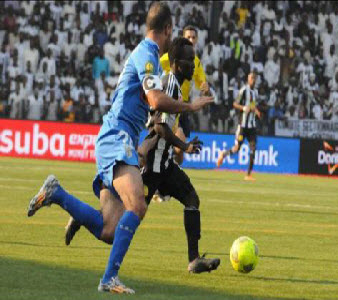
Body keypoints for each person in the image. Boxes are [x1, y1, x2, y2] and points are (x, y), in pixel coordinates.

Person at [27, 2, 213, 294]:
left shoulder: (145, 54)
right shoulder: (148, 54)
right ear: (166, 29)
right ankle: (109, 279)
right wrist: (190, 105)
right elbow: (155, 100)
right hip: (118, 137)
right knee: (137, 205)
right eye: (172, 30)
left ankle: (57, 194)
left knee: (110, 230)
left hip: (116, 138)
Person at [64, 37, 220, 274]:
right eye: (189, 60)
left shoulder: (176, 87)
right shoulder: (169, 84)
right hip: (151, 166)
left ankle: (194, 259)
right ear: (177, 63)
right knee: (122, 222)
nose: (193, 64)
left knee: (191, 199)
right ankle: (83, 217)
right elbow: (159, 126)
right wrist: (184, 147)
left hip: (164, 165)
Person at [160, 25, 210, 165]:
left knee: (179, 151)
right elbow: (158, 64)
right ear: (183, 37)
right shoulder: (173, 56)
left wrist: (205, 87)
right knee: (178, 142)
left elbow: (202, 83)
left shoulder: (196, 62)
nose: (191, 40)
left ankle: (173, 171)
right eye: (188, 37)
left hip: (184, 107)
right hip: (171, 103)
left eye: (193, 37)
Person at [216, 72, 261, 181]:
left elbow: (253, 105)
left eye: (254, 78)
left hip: (252, 127)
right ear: (248, 79)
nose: (253, 80)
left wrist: (256, 111)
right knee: (236, 149)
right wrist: (243, 108)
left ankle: (248, 174)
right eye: (251, 78)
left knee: (253, 149)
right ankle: (224, 154)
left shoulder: (255, 93)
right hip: (242, 126)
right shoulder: (243, 90)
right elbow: (235, 104)